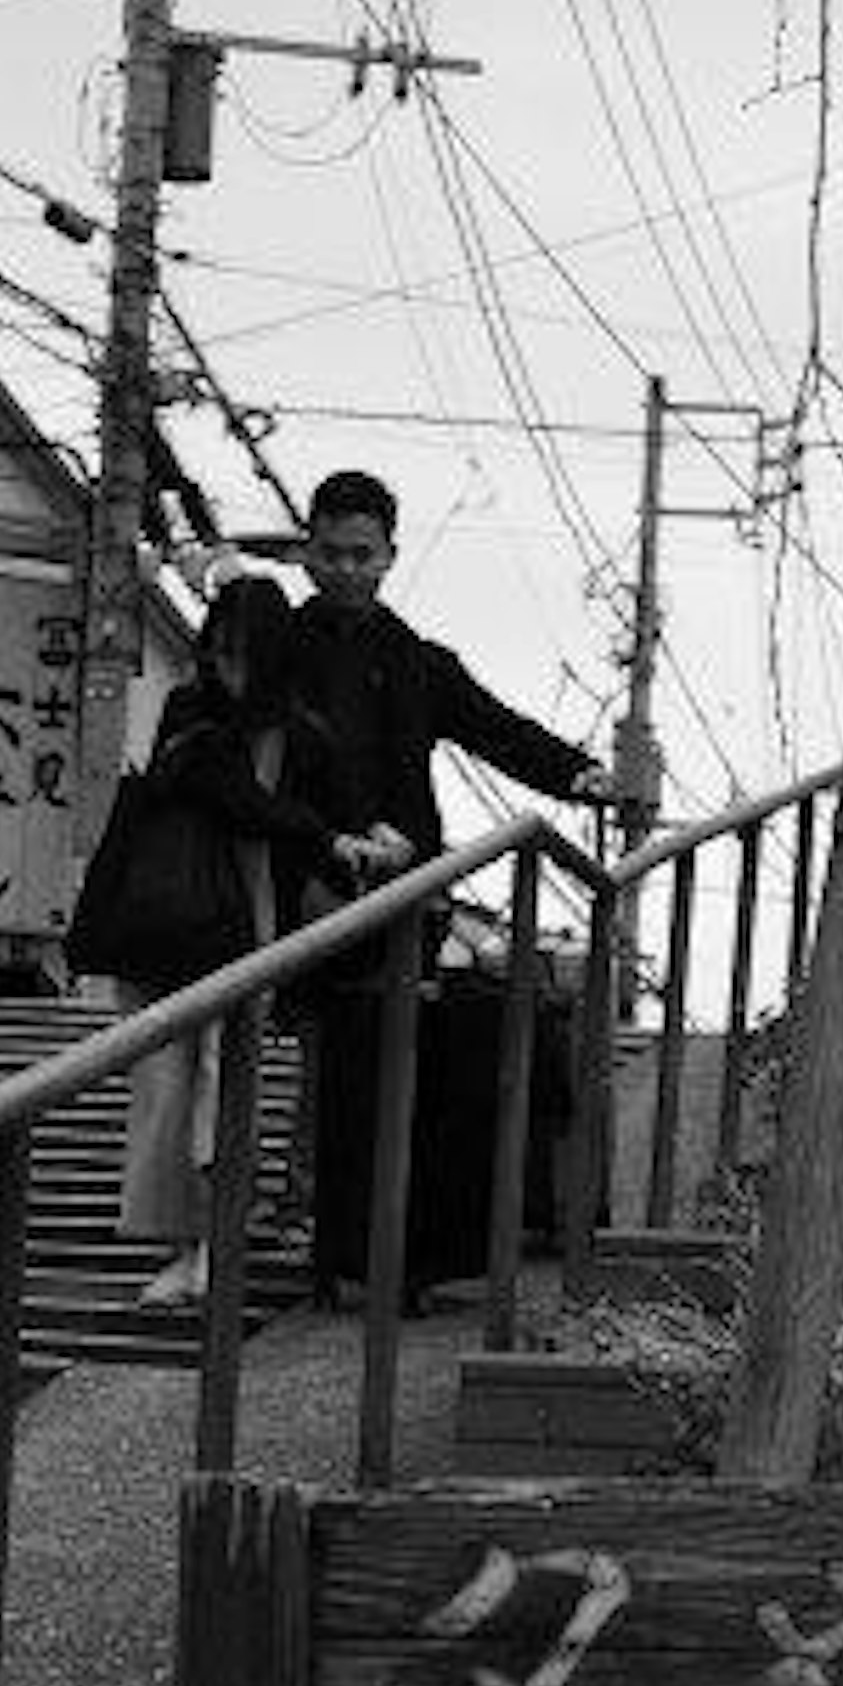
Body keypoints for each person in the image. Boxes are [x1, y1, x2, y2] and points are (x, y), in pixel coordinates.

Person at [279, 466, 613, 1306]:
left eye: (364, 553)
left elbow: (498, 730)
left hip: (406, 889)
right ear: (308, 554)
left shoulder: (417, 662)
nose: (349, 569)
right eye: (332, 553)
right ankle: (315, 1220)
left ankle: (366, 1239)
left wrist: (582, 775)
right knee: (327, 1047)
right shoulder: (281, 650)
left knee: (390, 1059)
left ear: (390, 554)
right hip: (307, 879)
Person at [63, 569, 362, 1306]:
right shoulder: (193, 716)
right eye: (220, 650)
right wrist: (324, 835)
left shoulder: (300, 736)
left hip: (250, 934)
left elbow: (310, 814)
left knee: (220, 1095)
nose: (229, 669)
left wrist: (341, 840)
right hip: (170, 926)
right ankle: (182, 1245)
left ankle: (213, 1247)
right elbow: (235, 800)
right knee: (165, 1094)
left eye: (243, 653)